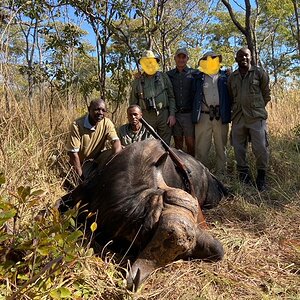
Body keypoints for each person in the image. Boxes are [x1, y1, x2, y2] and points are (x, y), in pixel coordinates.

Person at [227, 47, 271, 191]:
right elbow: (231, 96)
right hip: (238, 117)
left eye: (246, 56)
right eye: (240, 56)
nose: (243, 58)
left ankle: (261, 177)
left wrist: (256, 108)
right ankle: (244, 176)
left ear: (250, 57)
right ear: (236, 59)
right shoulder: (232, 77)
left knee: (260, 148)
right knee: (239, 148)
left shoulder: (259, 73)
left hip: (255, 118)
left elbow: (266, 94)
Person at [192, 51, 231, 175]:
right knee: (201, 149)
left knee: (221, 147)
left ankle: (222, 174)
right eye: (208, 58)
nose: (211, 60)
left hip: (221, 116)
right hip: (203, 116)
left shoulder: (226, 76)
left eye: (214, 58)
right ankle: (201, 175)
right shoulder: (197, 77)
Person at [66, 99, 122, 179]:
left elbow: (115, 141)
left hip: (97, 159)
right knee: (89, 181)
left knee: (119, 149)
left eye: (103, 110)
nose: (100, 113)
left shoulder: (106, 122)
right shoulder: (77, 125)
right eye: (97, 109)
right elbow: (73, 154)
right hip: (82, 162)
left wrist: (117, 159)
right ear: (89, 109)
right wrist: (81, 179)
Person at [130, 50, 176, 145]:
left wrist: (172, 114)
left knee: (165, 145)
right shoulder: (137, 81)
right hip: (146, 117)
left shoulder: (163, 77)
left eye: (151, 61)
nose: (149, 64)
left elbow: (171, 96)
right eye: (146, 62)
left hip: (164, 115)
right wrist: (137, 119)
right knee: (147, 145)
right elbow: (133, 104)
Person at [167, 48, 195, 156]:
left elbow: (209, 73)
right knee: (178, 143)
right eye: (179, 56)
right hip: (175, 114)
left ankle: (192, 168)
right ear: (175, 58)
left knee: (190, 143)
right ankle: (179, 169)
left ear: (187, 58)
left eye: (184, 57)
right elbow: (156, 76)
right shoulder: (168, 75)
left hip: (189, 114)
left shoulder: (194, 73)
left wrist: (227, 72)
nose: (181, 59)